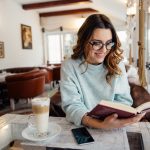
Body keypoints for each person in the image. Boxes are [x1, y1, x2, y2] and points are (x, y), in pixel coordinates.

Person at [60, 14, 145, 129]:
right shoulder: (69, 66)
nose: (104, 50)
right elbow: (72, 105)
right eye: (97, 43)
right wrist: (100, 125)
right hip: (84, 125)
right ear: (84, 41)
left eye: (109, 43)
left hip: (113, 124)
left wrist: (113, 120)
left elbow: (124, 100)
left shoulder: (117, 64)